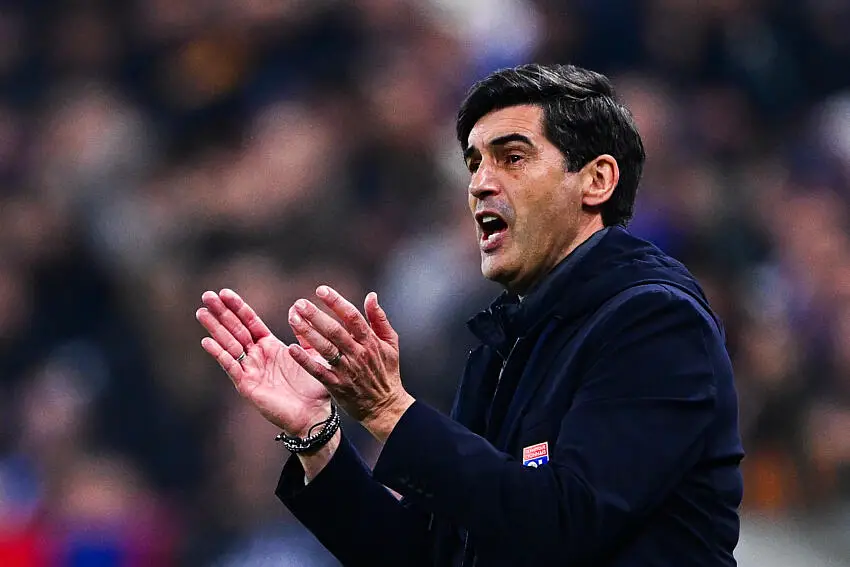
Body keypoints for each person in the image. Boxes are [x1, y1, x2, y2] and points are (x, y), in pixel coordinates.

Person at [196, 63, 744, 566]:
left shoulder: (655, 322)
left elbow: (566, 525)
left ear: (596, 180)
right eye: (474, 163)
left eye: (512, 158)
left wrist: (389, 411)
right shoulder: (504, 346)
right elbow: (429, 556)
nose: (480, 182)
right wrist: (318, 438)